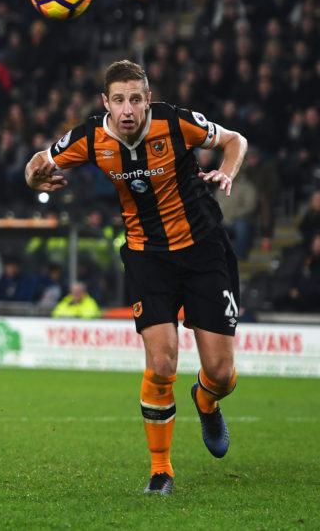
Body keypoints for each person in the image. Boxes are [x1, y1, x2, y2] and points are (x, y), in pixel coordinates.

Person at [25, 59, 247, 496]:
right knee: (161, 364)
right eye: (120, 100)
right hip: (148, 256)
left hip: (203, 250)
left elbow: (235, 140)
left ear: (148, 100)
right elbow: (37, 164)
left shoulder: (175, 122)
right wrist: (36, 180)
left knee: (220, 373)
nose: (128, 110)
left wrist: (227, 170)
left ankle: (206, 399)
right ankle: (160, 471)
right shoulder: (91, 136)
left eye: (136, 100)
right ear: (106, 102)